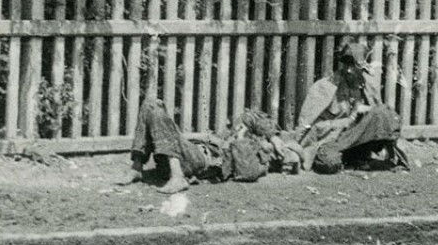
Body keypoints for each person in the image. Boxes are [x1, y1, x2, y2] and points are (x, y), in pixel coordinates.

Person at [122, 100, 294, 194]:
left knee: (154, 107)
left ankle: (177, 177)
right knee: (151, 104)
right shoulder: (260, 136)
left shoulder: (262, 159)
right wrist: (274, 137)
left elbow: (247, 173)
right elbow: (250, 116)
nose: (267, 143)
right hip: (182, 154)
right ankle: (137, 167)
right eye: (266, 139)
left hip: (200, 161)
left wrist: (241, 140)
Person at [295, 40, 406, 174]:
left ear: (363, 67)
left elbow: (382, 122)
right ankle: (351, 159)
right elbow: (311, 128)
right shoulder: (325, 87)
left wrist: (367, 112)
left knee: (383, 112)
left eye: (353, 65)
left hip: (355, 140)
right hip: (331, 140)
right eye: (346, 64)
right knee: (330, 162)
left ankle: (375, 158)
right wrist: (352, 117)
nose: (348, 69)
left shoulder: (367, 86)